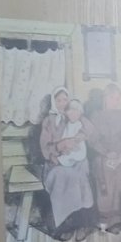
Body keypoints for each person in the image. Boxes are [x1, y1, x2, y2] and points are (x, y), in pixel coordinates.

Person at [42, 97, 94, 230]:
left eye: (64, 100)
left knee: (76, 178)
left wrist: (74, 143)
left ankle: (75, 219)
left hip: (74, 161)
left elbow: (81, 148)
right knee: (61, 176)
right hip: (57, 161)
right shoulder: (50, 121)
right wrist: (60, 150)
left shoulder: (80, 124)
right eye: (58, 100)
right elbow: (45, 148)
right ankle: (60, 219)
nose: (61, 104)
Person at [89, 82, 121, 231]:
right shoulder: (96, 116)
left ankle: (120, 217)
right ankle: (106, 217)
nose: (116, 102)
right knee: (104, 170)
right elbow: (93, 141)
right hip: (103, 154)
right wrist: (106, 153)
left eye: (117, 98)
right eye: (112, 98)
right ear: (105, 98)